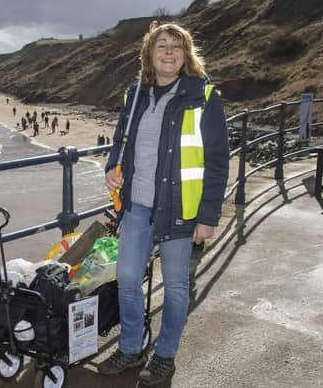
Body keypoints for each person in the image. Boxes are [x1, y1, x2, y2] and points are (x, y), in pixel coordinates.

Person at [98, 22, 229, 386]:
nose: (168, 52)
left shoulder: (203, 96)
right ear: (149, 54)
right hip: (136, 205)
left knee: (175, 286)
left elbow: (218, 160)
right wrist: (112, 167)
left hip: (181, 211)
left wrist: (208, 216)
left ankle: (165, 356)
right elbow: (120, 140)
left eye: (175, 46)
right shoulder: (135, 94)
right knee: (126, 278)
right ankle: (130, 347)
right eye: (161, 46)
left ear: (186, 54)